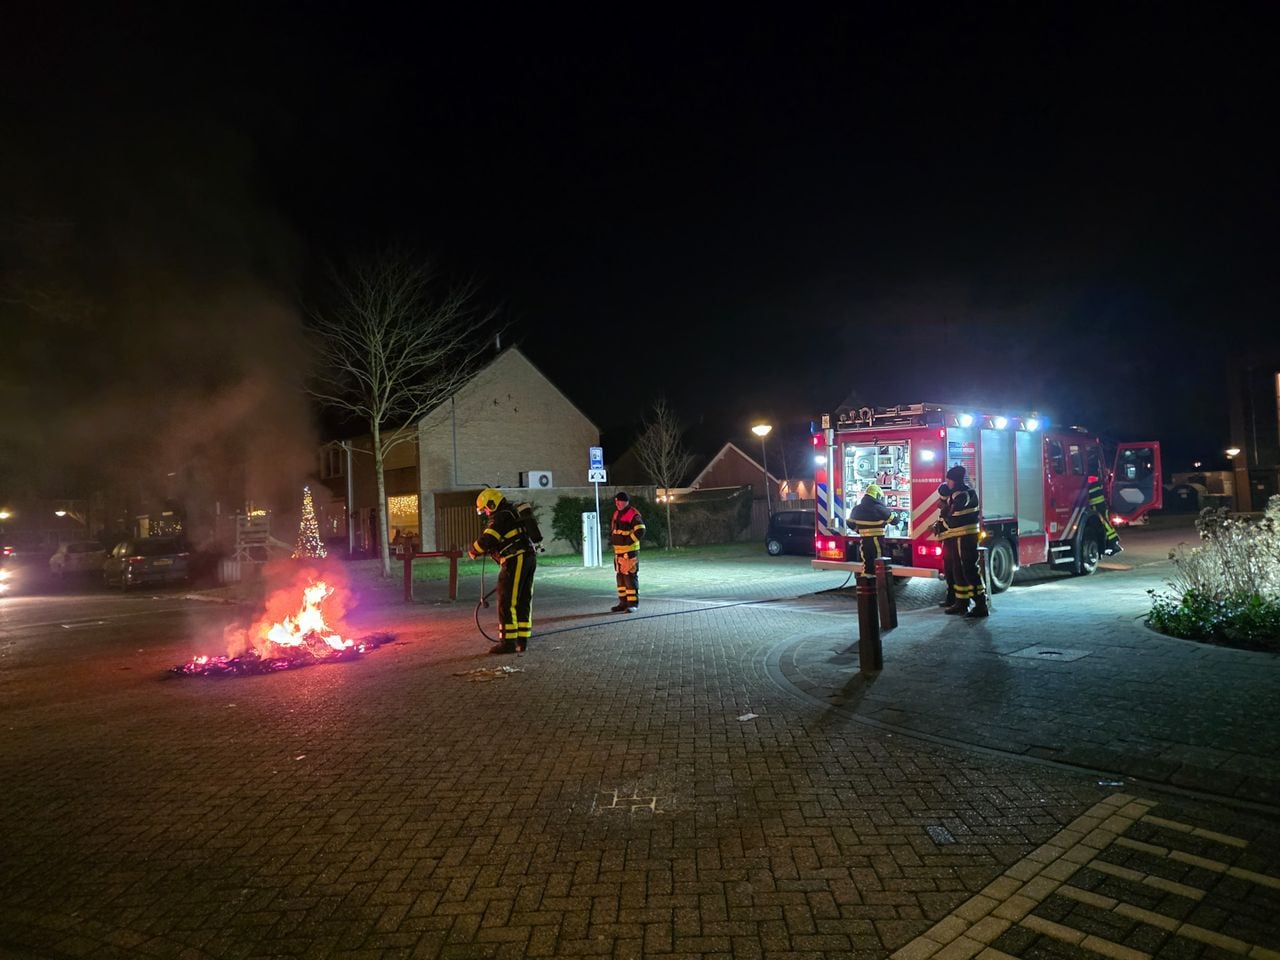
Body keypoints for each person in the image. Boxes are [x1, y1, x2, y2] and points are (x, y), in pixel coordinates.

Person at [467, 487, 537, 653]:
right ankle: (521, 639)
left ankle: (508, 643)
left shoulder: (500, 516)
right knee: (522, 599)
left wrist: (473, 550)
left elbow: (488, 539)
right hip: (526, 557)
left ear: (491, 504)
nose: (485, 512)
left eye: (485, 508)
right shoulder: (510, 513)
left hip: (515, 558)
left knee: (507, 601)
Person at [939, 465, 988, 618]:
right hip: (957, 537)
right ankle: (961, 603)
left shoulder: (964, 494)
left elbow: (951, 514)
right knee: (958, 571)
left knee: (969, 570)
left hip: (965, 538)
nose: (947, 483)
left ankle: (981, 604)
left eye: (949, 480)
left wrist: (943, 521)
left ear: (955, 480)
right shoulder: (956, 493)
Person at [609, 492, 646, 612]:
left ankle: (632, 604)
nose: (617, 504)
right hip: (618, 552)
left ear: (625, 502)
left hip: (629, 552)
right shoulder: (616, 513)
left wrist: (628, 541)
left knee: (630, 578)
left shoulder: (633, 514)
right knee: (620, 579)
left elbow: (640, 530)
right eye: (616, 501)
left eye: (619, 501)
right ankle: (623, 603)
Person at [851, 482, 892, 576]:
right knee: (879, 561)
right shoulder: (879, 509)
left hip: (864, 540)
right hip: (877, 540)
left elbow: (849, 522)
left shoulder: (857, 509)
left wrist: (858, 530)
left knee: (867, 561)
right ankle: (878, 583)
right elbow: (895, 520)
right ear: (877, 496)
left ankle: (867, 583)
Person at [931, 482, 958, 609]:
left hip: (952, 543)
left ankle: (956, 600)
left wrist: (939, 527)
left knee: (954, 572)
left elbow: (951, 523)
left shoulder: (951, 506)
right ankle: (951, 599)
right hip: (948, 544)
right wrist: (937, 526)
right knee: (949, 572)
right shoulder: (947, 506)